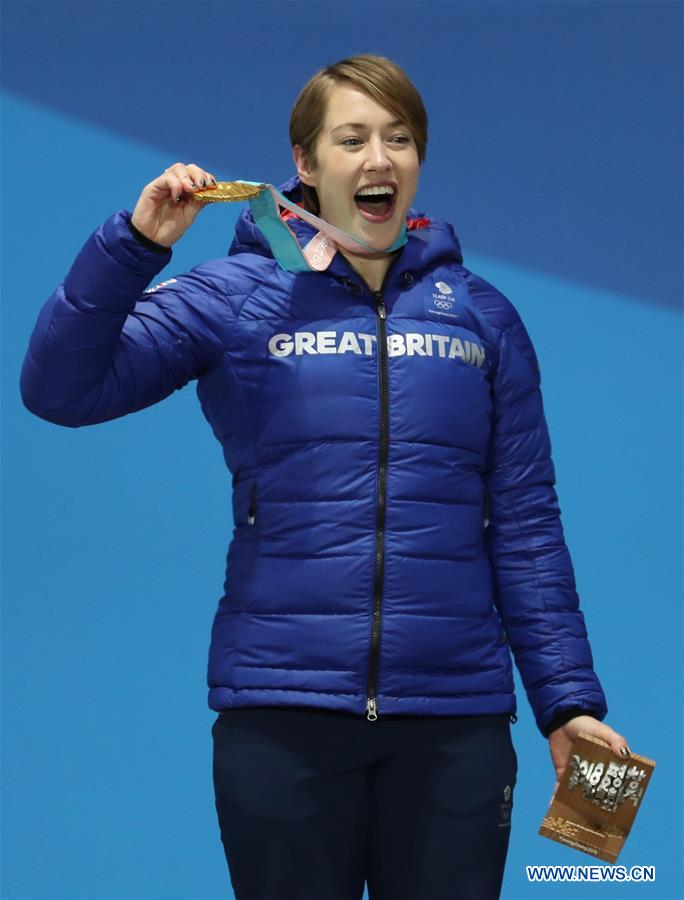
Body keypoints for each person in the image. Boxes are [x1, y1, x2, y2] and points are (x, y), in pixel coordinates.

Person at [20, 54, 630, 900]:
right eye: (352, 139)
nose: (379, 159)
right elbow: (59, 390)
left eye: (399, 137)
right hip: (281, 721)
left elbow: (525, 522)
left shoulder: (483, 316)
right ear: (306, 164)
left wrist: (568, 703)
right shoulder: (235, 295)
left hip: (456, 729)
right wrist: (132, 247)